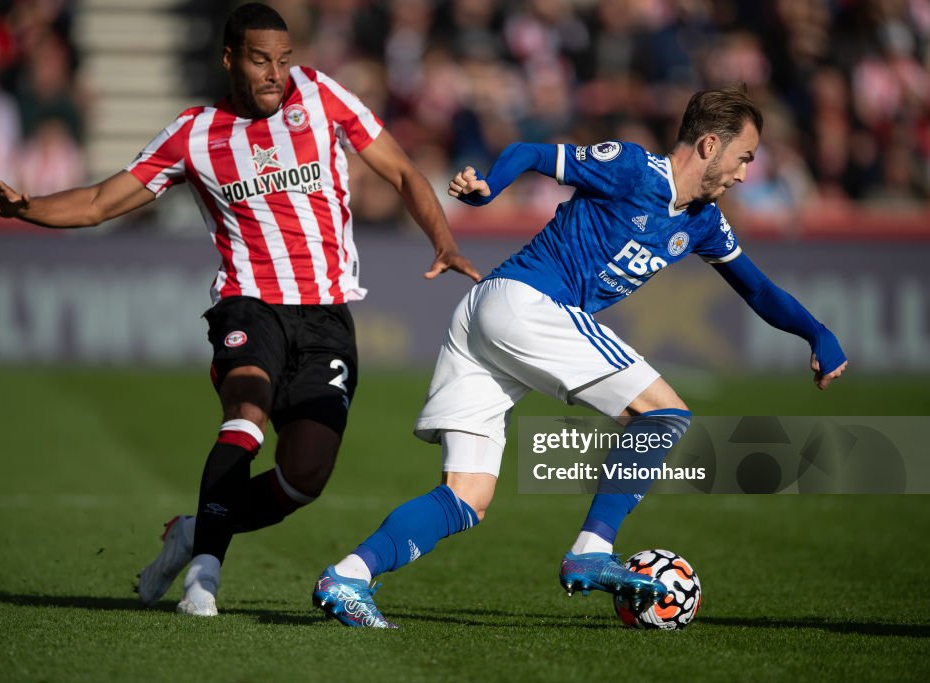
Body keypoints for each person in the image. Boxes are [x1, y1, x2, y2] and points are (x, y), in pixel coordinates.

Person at [0, 3, 480, 617]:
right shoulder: (193, 133)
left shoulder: (320, 95)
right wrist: (26, 208)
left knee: (303, 479)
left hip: (326, 316)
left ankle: (192, 531)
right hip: (249, 303)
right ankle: (204, 575)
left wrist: (442, 238)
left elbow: (398, 168)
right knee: (247, 410)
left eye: (284, 60)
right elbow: (102, 201)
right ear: (230, 58)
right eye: (261, 60)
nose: (276, 74)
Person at [312, 85, 848, 628]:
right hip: (527, 302)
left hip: (486, 317)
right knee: (664, 413)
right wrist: (488, 188)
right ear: (710, 145)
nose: (744, 174)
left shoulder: (702, 220)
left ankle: (349, 575)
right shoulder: (636, 169)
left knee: (467, 497)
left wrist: (815, 331)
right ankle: (592, 548)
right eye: (744, 158)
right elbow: (530, 153)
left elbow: (757, 289)